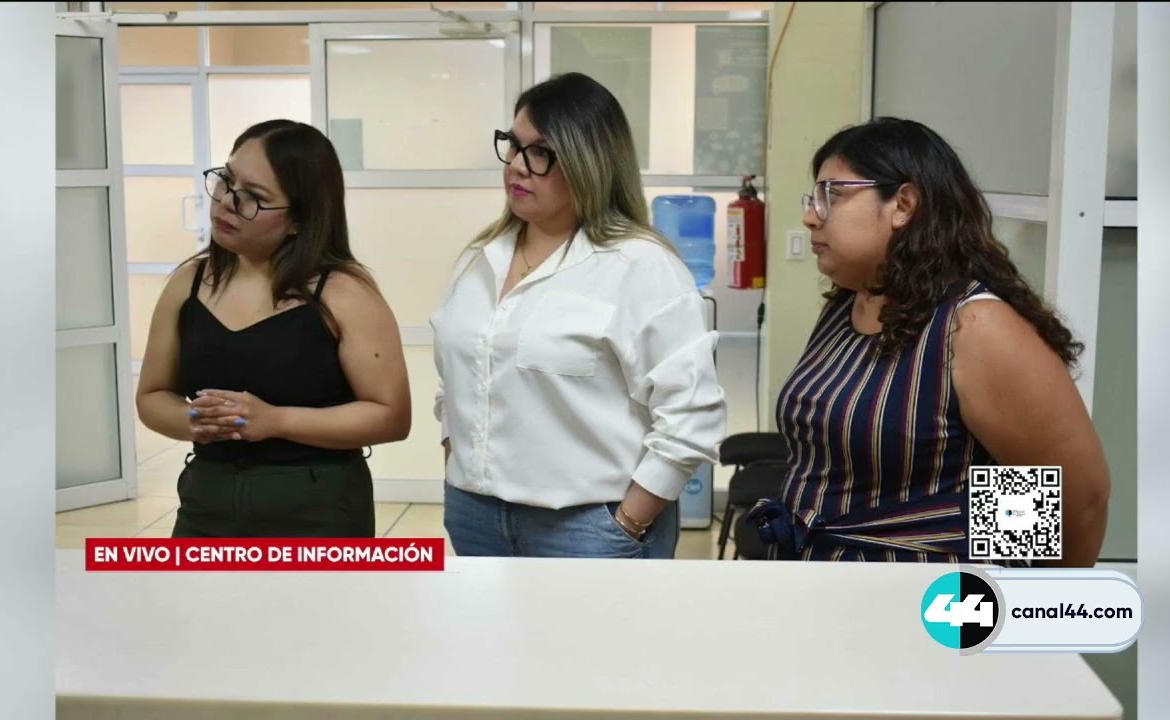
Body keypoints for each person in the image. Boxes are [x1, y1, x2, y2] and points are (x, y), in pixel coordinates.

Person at [747, 117, 1110, 567]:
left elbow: (1078, 500)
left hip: (928, 600)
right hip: (819, 586)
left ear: (903, 204)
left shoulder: (973, 326)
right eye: (814, 198)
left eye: (832, 195)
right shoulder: (847, 305)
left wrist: (1027, 603)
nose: (810, 216)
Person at [430, 73, 727, 558]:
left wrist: (627, 521)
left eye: (540, 152)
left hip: (588, 525)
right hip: (474, 514)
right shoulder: (480, 258)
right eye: (514, 145)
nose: (517, 166)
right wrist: (455, 458)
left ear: (589, 161)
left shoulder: (641, 265)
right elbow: (457, 380)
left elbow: (691, 413)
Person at [136, 119, 411, 538]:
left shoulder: (344, 293)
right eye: (227, 181)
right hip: (207, 502)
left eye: (255, 197)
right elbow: (152, 396)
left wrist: (276, 421)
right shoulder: (189, 282)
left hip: (318, 509)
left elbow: (391, 417)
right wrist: (195, 421)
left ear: (300, 219)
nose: (227, 202)